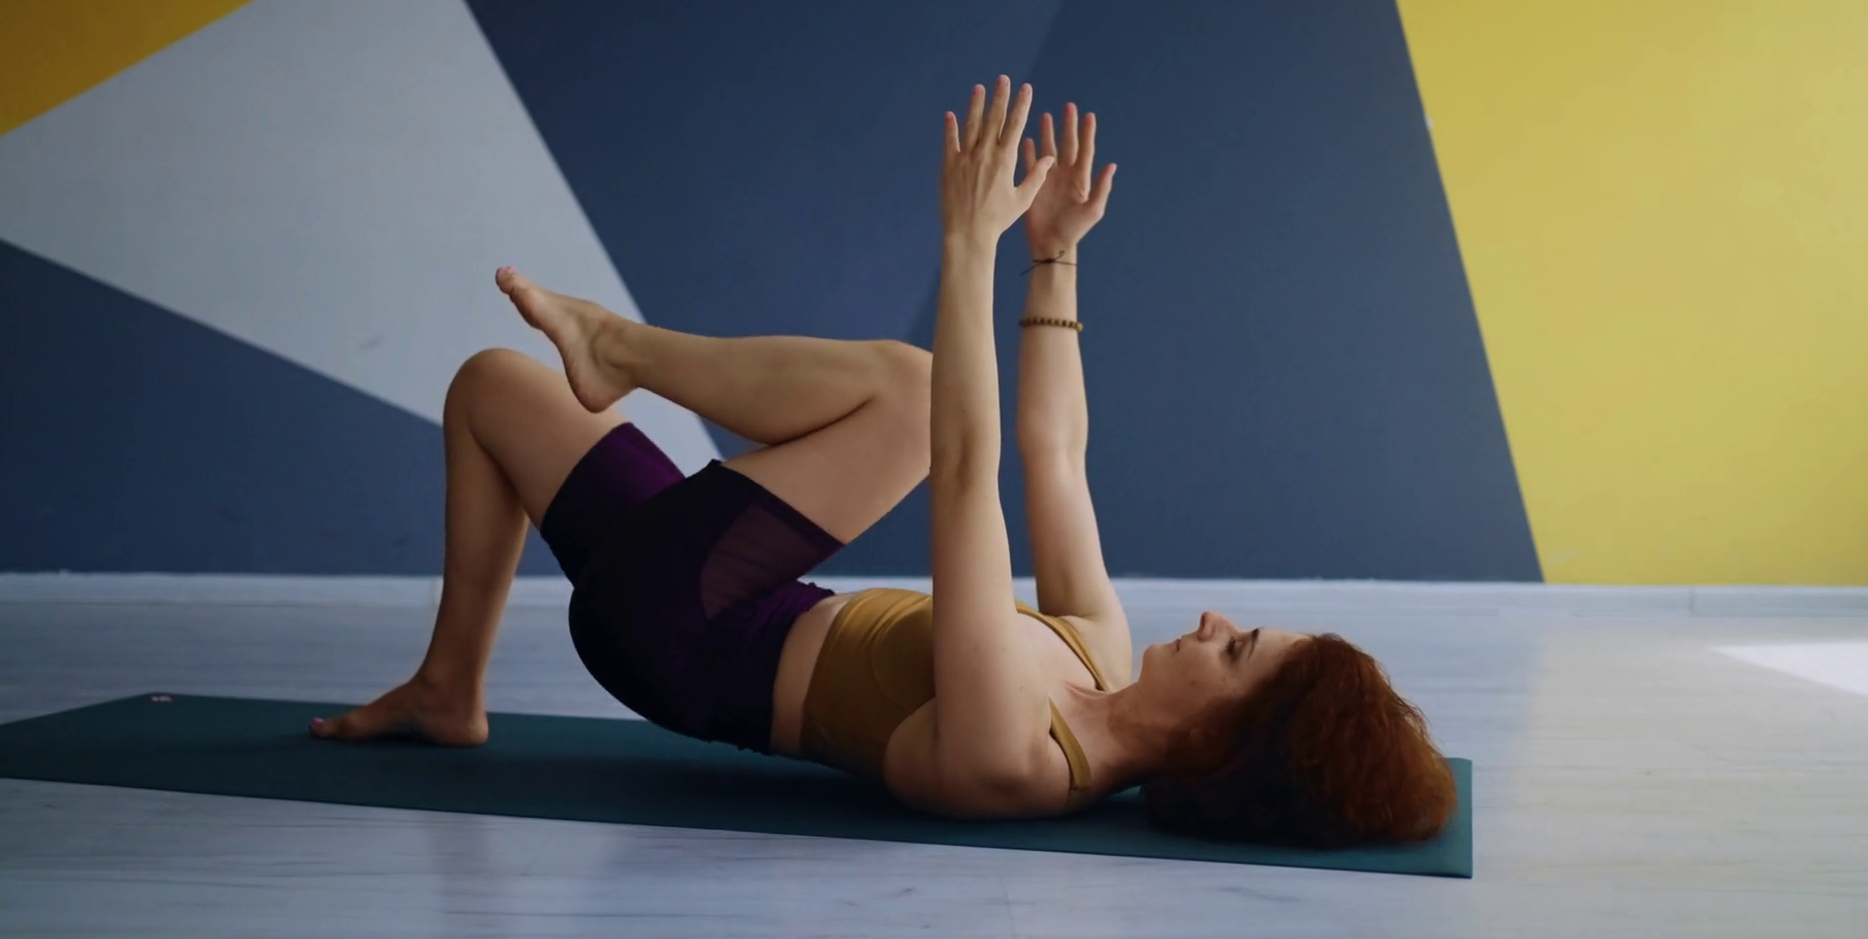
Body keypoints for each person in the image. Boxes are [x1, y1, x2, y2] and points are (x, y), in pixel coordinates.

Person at [313, 78, 1457, 847]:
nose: (1215, 620)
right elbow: (1054, 455)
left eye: (1239, 649)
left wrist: (967, 243)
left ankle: (623, 352)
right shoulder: (1095, 657)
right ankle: (448, 690)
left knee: (914, 399)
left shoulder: (1018, 760)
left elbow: (962, 471)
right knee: (493, 388)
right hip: (741, 590)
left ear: (1217, 744)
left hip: (679, 635)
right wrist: (1052, 258)